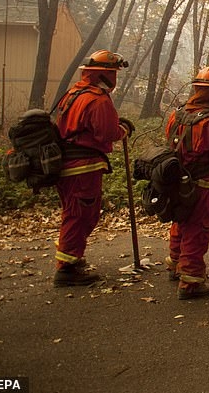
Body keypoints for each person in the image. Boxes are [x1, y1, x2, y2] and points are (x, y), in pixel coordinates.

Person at [53, 50, 132, 287]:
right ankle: (67, 269)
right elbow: (106, 132)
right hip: (83, 167)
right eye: (113, 74)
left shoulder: (73, 94)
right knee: (81, 215)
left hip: (67, 165)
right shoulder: (97, 99)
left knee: (73, 212)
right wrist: (123, 130)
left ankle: (71, 259)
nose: (115, 79)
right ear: (104, 75)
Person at [164, 66, 209, 300]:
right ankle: (191, 280)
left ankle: (175, 263)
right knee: (198, 228)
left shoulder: (177, 114)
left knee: (181, 221)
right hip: (203, 184)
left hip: (176, 180)